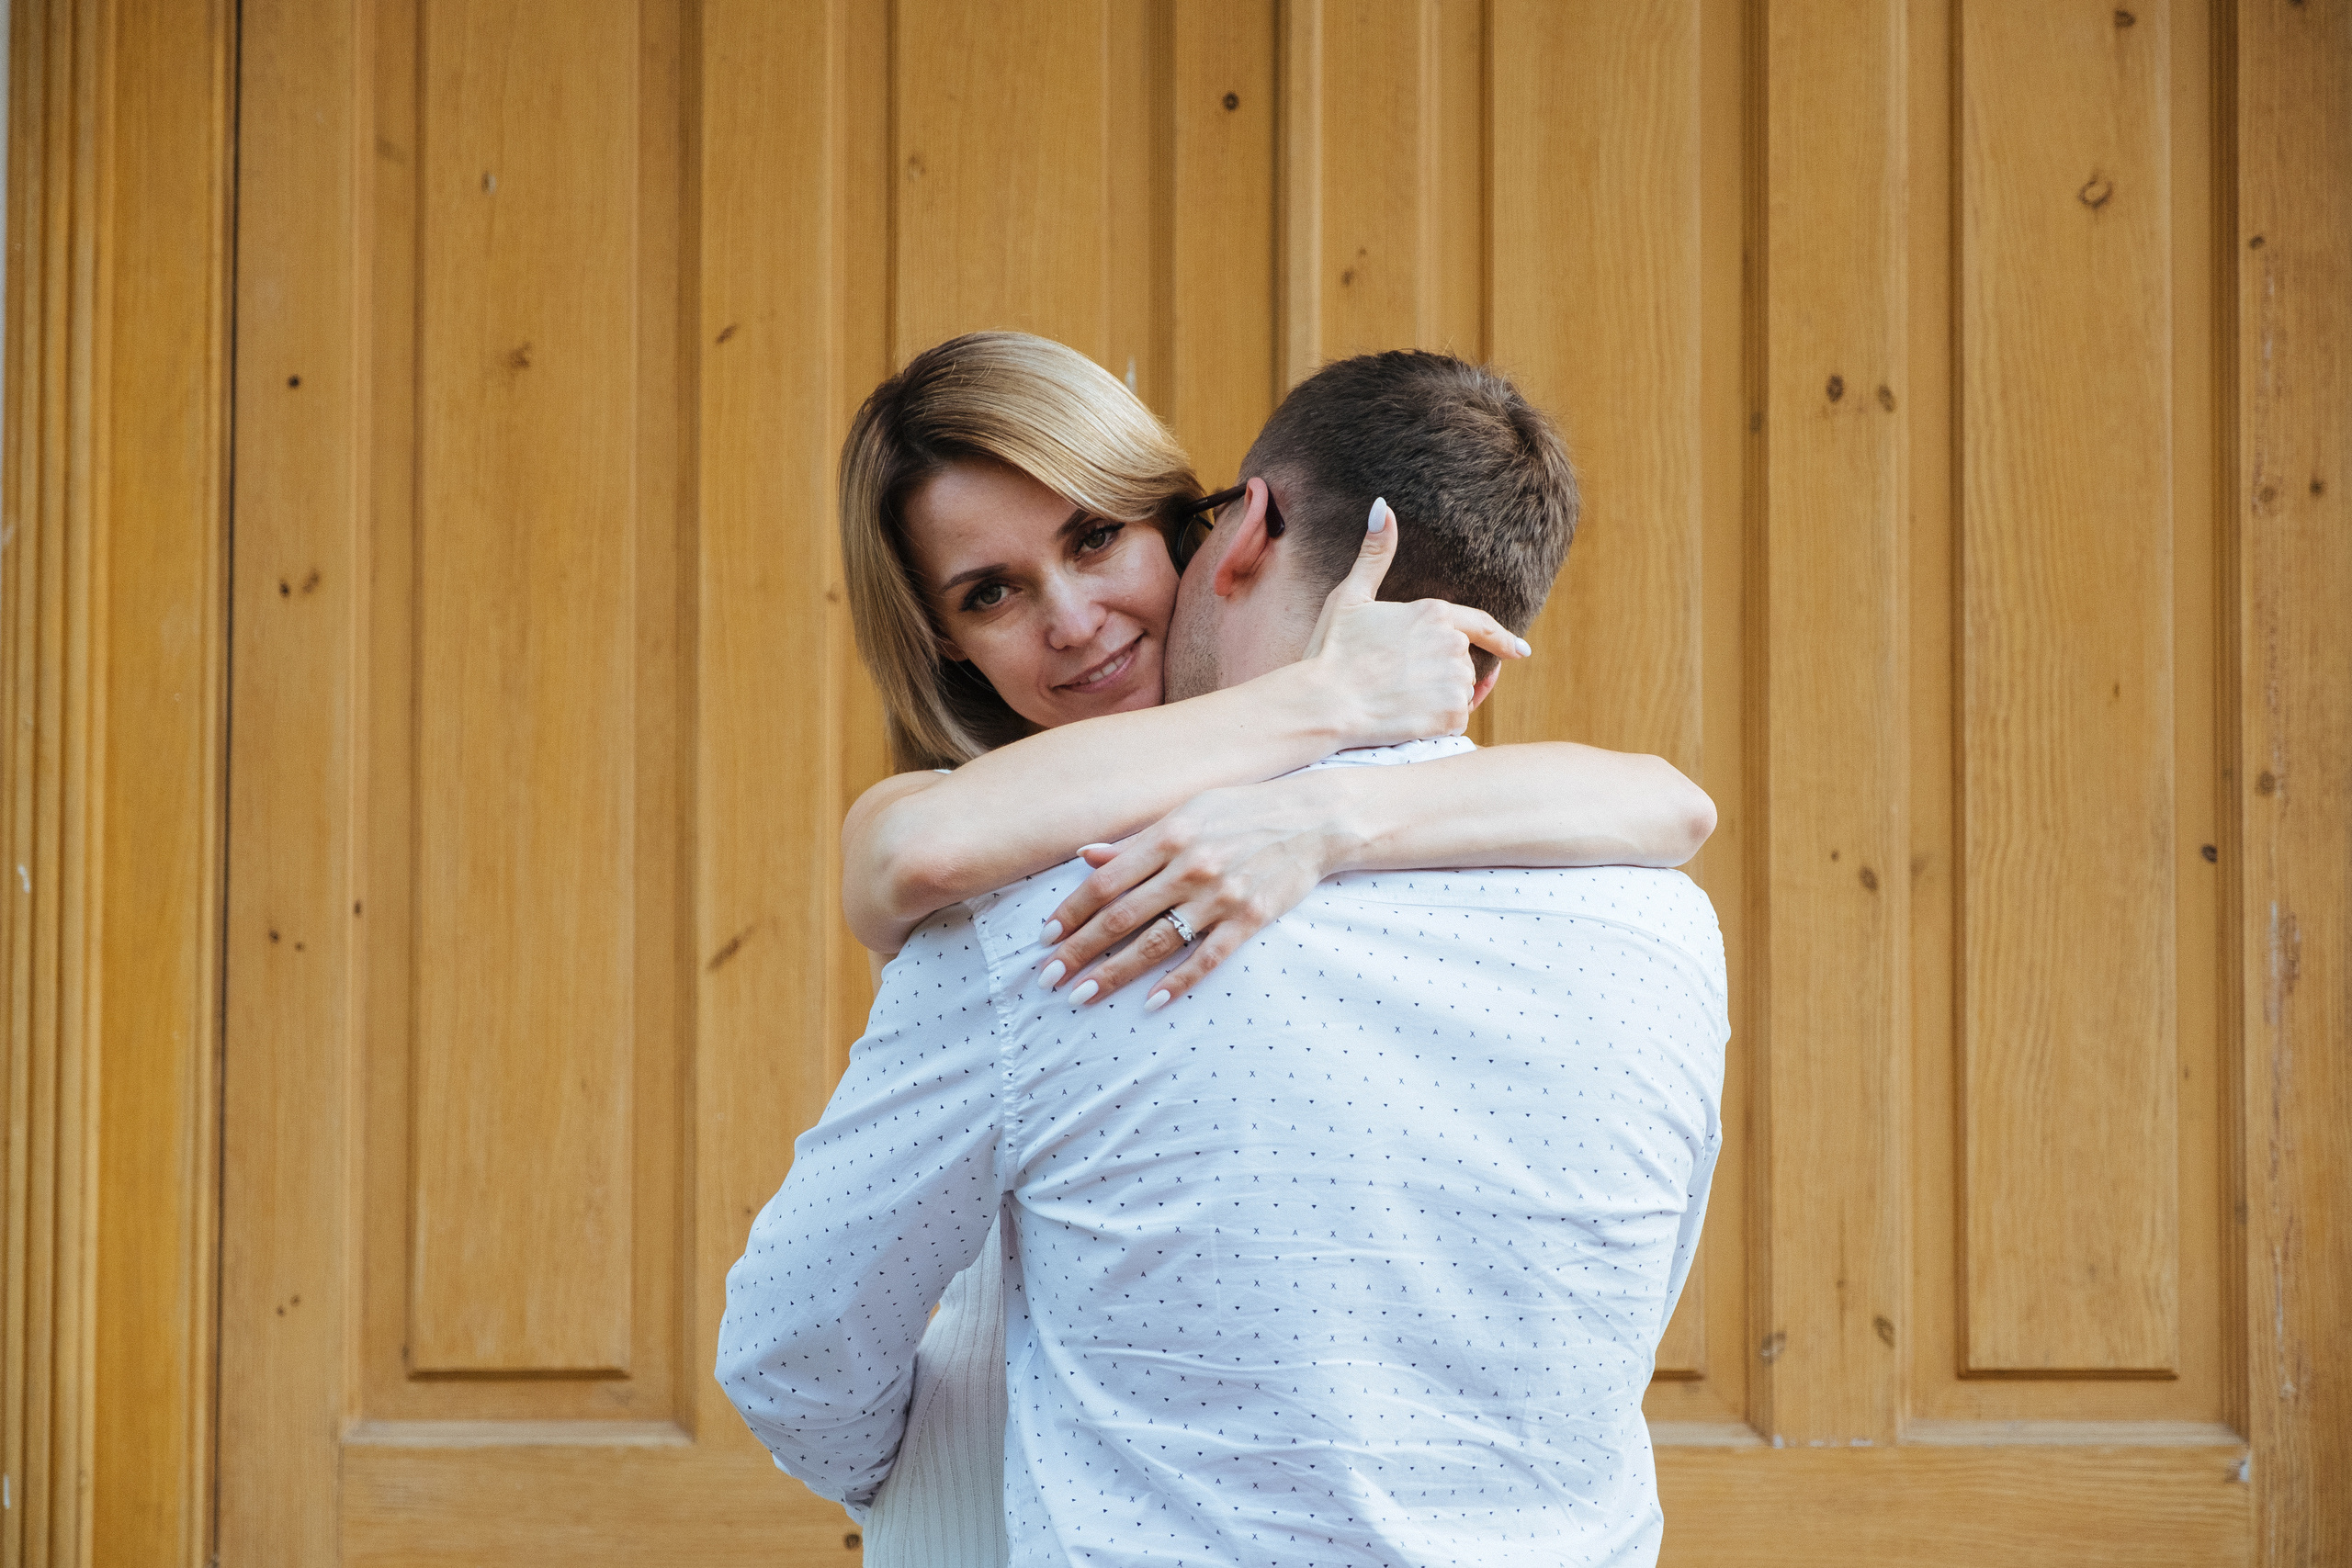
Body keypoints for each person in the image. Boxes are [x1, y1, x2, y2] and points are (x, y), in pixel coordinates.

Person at [719, 349, 1729, 1566]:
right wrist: (1328, 704)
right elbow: (917, 851)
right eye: (990, 594)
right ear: (945, 647)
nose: (1074, 622)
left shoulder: (1070, 912)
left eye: (1096, 538)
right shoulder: (1005, 877)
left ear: (1206, 528)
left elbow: (1673, 802)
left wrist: (1325, 815)